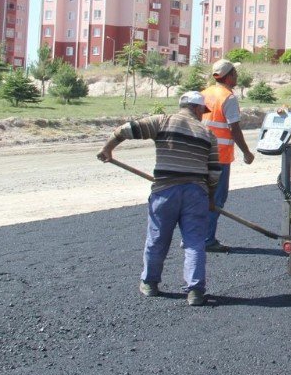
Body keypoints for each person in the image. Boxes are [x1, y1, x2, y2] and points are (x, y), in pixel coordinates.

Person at [97, 91, 221, 306]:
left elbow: (124, 130)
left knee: (157, 239)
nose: (203, 114)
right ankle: (195, 291)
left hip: (166, 191)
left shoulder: (162, 121)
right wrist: (210, 199)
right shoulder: (208, 133)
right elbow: (214, 174)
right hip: (196, 193)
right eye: (203, 110)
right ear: (197, 108)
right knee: (194, 243)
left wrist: (107, 149)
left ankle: (150, 283)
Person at [201, 59, 255, 253]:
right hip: (219, 157)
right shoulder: (228, 98)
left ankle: (192, 237)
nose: (237, 76)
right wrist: (247, 152)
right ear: (229, 76)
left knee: (199, 197)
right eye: (235, 72)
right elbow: (234, 128)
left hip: (201, 155)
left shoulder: (204, 94)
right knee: (216, 199)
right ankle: (206, 240)